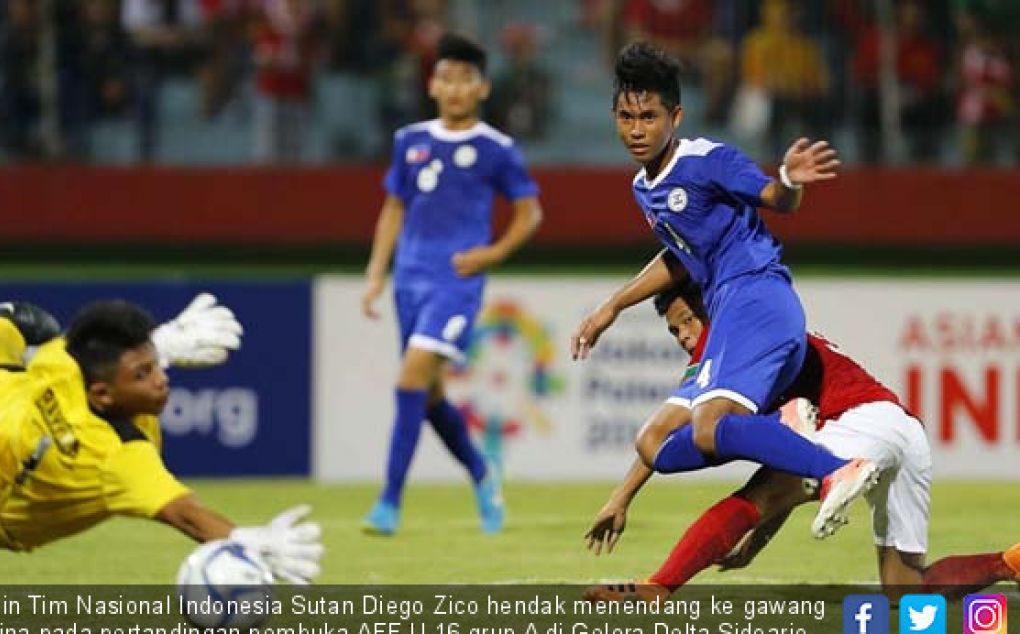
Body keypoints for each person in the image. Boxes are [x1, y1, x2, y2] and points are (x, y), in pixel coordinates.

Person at [570, 42, 871, 539]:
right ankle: (787, 437)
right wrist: (613, 306)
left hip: (756, 297)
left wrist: (789, 181)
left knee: (709, 426)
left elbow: (776, 198)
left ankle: (831, 465)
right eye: (626, 117)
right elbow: (680, 257)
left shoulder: (706, 160)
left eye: (648, 116)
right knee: (656, 447)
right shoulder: (643, 188)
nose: (636, 128)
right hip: (733, 308)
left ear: (676, 115)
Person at [584, 281, 1020, 601]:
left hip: (858, 423)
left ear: (713, 309)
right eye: (674, 331)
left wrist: (621, 497)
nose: (682, 337)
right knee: (907, 592)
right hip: (902, 430)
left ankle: (660, 585)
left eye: (687, 321)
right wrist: (755, 541)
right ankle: (1009, 562)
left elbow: (662, 435)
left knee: (761, 492)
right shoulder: (759, 334)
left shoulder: (729, 350)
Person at [0, 295, 324, 584]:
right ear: (103, 395)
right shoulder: (119, 459)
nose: (160, 380)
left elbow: (95, 345)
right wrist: (245, 538)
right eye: (142, 374)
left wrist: (163, 342)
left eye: (154, 365)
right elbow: (187, 515)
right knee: (0, 376)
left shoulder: (62, 359)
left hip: (10, 409)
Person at [361, 32, 543, 536]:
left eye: (466, 79)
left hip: (456, 282)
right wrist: (377, 273)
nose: (456, 88)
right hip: (409, 281)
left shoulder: (497, 149)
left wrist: (496, 251)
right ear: (432, 84)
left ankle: (389, 503)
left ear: (483, 88)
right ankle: (484, 474)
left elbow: (529, 212)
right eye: (447, 77)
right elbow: (393, 209)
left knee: (409, 378)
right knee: (430, 394)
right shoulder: (409, 141)